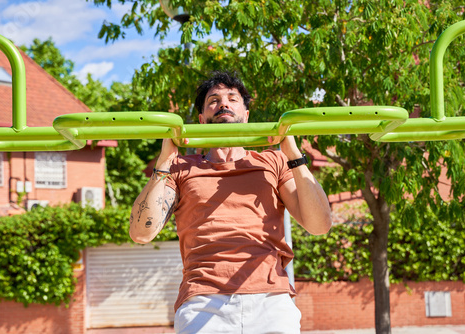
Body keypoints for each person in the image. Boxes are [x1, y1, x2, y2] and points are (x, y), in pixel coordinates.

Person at [130, 71, 332, 334]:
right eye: (213, 100)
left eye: (232, 98)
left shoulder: (273, 162)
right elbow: (141, 233)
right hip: (203, 301)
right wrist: (164, 162)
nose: (223, 103)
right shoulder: (180, 168)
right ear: (201, 120)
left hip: (270, 300)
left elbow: (319, 225)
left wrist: (293, 154)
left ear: (246, 115)